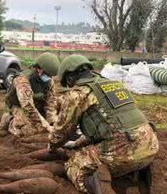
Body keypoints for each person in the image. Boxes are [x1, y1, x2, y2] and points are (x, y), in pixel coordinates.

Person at [48, 54, 159, 193]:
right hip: (151, 145)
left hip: (124, 150)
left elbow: (62, 129)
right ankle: (136, 173)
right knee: (117, 149)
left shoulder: (78, 93)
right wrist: (77, 143)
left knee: (74, 164)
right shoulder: (112, 84)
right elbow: (111, 123)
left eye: (68, 82)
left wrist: (52, 144)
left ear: (70, 77)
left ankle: (95, 184)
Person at [0, 53, 61, 137]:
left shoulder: (49, 81)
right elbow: (27, 106)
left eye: (51, 75)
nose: (49, 77)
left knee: (61, 107)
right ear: (39, 69)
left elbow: (51, 101)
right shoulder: (22, 80)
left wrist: (52, 121)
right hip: (18, 106)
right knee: (28, 131)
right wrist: (46, 126)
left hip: (36, 105)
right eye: (47, 74)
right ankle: (10, 121)